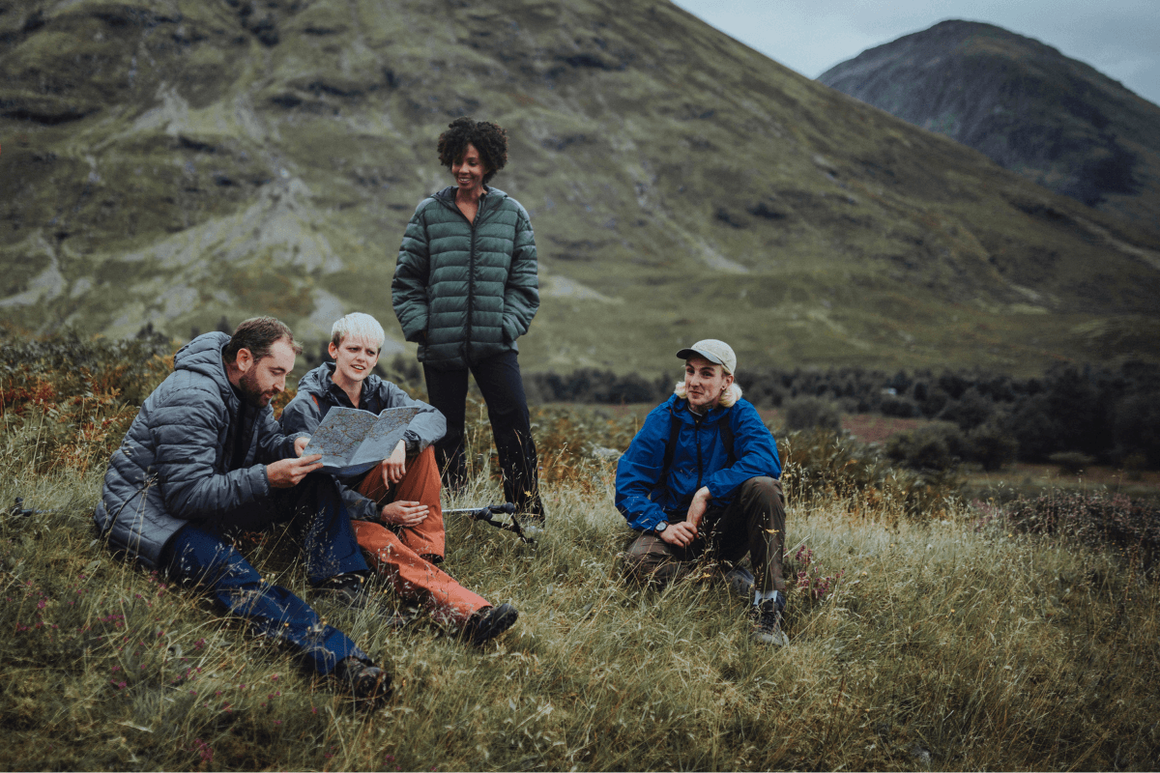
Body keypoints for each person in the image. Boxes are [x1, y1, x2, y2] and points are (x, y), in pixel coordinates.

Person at [94, 317, 390, 704]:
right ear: (245, 358)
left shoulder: (250, 391)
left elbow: (266, 441)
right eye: (276, 372)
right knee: (234, 576)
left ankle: (343, 584)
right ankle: (341, 662)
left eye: (286, 374)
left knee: (314, 481)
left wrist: (292, 446)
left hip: (206, 499)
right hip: (152, 514)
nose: (282, 386)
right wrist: (267, 478)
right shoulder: (193, 395)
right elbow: (186, 496)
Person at [280, 312, 519, 644]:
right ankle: (469, 615)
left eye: (370, 352)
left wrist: (401, 441)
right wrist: (378, 513)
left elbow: (434, 417)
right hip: (331, 510)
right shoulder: (307, 403)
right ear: (334, 350)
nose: (361, 359)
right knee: (376, 536)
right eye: (353, 349)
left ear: (377, 358)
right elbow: (312, 483)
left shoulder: (380, 390)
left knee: (422, 450)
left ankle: (422, 557)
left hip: (371, 489)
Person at [392, 117, 545, 524]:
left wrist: (505, 325)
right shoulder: (429, 213)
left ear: (488, 165)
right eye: (459, 161)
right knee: (445, 433)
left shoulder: (512, 214)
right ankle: (453, 512)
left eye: (473, 162)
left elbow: (524, 283)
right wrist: (423, 327)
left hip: (495, 343)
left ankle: (526, 512)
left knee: (514, 425)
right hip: (440, 343)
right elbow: (406, 280)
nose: (464, 170)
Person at [615, 339, 789, 646]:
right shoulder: (664, 417)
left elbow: (767, 460)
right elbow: (629, 484)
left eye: (707, 373)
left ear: (726, 381)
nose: (694, 382)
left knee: (764, 487)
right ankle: (729, 581)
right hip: (677, 530)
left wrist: (707, 491)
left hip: (726, 528)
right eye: (690, 371)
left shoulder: (740, 414)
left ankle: (768, 608)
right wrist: (662, 526)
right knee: (636, 562)